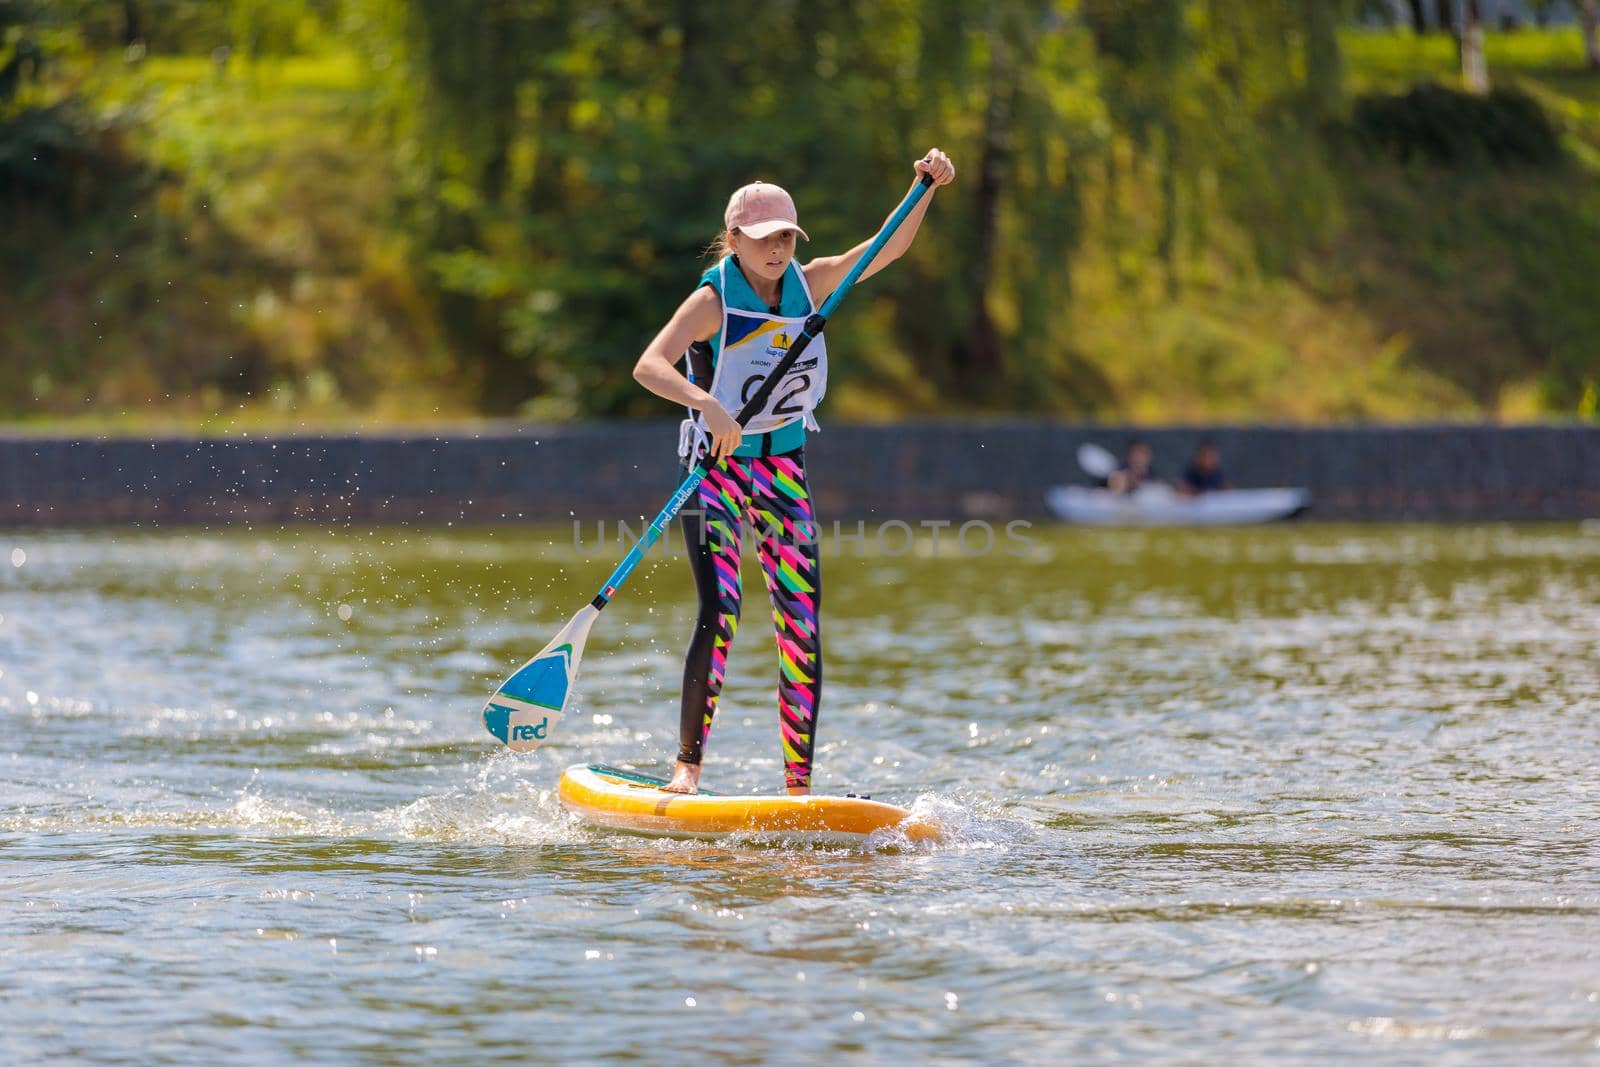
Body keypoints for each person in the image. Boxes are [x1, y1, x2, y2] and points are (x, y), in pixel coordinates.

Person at [631, 149, 957, 795]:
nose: (777, 249)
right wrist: (706, 403)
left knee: (802, 622)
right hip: (714, 470)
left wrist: (924, 188)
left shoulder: (812, 279)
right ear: (734, 241)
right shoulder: (710, 301)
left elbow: (884, 248)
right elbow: (649, 366)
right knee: (721, 608)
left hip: (782, 468)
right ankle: (686, 768)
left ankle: (798, 787)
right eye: (762, 239)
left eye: (785, 236)